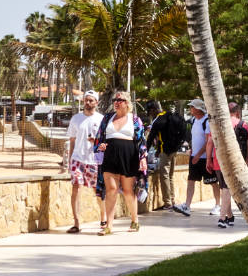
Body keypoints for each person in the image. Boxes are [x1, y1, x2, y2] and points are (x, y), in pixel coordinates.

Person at [92, 92, 146, 235]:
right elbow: (99, 137)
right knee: (111, 190)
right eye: (115, 100)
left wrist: (143, 158)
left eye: (120, 100)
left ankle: (135, 220)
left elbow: (141, 140)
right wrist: (100, 146)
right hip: (110, 156)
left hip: (129, 156)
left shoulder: (134, 119)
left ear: (127, 103)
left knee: (128, 191)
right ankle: (109, 225)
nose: (116, 102)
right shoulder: (108, 118)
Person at [64, 91, 102, 234]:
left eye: (91, 100)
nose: (88, 103)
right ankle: (76, 223)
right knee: (76, 188)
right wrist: (69, 161)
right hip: (77, 159)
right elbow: (72, 140)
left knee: (97, 191)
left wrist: (97, 143)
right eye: (86, 100)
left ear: (96, 103)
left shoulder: (101, 120)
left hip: (94, 161)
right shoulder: (76, 119)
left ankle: (103, 219)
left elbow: (105, 142)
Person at [209, 102, 248, 228]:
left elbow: (210, 143)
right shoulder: (242, 124)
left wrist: (208, 160)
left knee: (225, 189)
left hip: (218, 160)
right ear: (237, 112)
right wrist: (247, 160)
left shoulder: (218, 124)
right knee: (226, 190)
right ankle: (225, 217)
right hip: (234, 161)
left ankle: (225, 217)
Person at [147, 102, 187, 211]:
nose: (150, 114)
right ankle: (172, 200)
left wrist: (144, 151)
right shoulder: (169, 115)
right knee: (170, 176)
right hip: (174, 150)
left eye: (150, 111)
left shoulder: (158, 120)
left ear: (154, 109)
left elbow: (151, 138)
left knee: (164, 175)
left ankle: (167, 202)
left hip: (165, 151)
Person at [180, 99, 210, 216]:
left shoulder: (207, 121)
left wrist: (198, 155)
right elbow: (196, 138)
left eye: (192, 107)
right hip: (194, 156)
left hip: (204, 157)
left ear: (198, 109)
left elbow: (208, 141)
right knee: (191, 180)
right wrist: (193, 150)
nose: (190, 109)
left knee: (212, 182)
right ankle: (187, 205)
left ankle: (218, 205)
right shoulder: (193, 121)